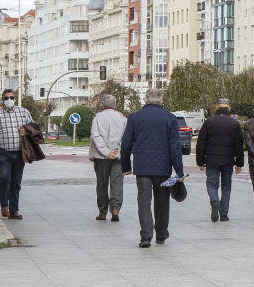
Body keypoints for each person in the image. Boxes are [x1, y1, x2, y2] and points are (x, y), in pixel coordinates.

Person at [120, 88, 186, 248]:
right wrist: (179, 171)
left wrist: (126, 166)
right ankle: (161, 234)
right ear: (161, 101)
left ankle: (146, 236)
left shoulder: (135, 118)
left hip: (142, 168)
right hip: (164, 169)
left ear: (145, 100)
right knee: (162, 202)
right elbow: (175, 147)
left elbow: (126, 144)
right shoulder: (170, 118)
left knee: (143, 201)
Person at [0, 89, 34, 220]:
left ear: (15, 99)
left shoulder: (24, 112)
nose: (9, 100)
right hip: (3, 152)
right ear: (2, 100)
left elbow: (34, 130)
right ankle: (4, 205)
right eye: (6, 98)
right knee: (5, 177)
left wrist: (26, 132)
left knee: (16, 181)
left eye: (11, 97)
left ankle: (14, 210)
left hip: (20, 152)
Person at [195, 98, 245, 222]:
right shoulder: (234, 123)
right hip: (228, 160)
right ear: (229, 108)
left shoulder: (209, 122)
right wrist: (239, 163)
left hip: (211, 160)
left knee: (212, 184)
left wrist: (200, 161)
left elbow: (201, 142)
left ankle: (214, 200)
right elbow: (239, 145)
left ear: (217, 107)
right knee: (226, 187)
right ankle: (224, 214)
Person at [89, 94, 128, 221]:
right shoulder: (122, 118)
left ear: (103, 104)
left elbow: (96, 136)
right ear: (115, 105)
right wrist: (116, 152)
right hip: (118, 157)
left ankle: (102, 212)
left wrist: (106, 152)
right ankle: (115, 209)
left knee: (102, 184)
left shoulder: (98, 118)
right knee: (117, 184)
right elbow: (126, 138)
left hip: (100, 157)